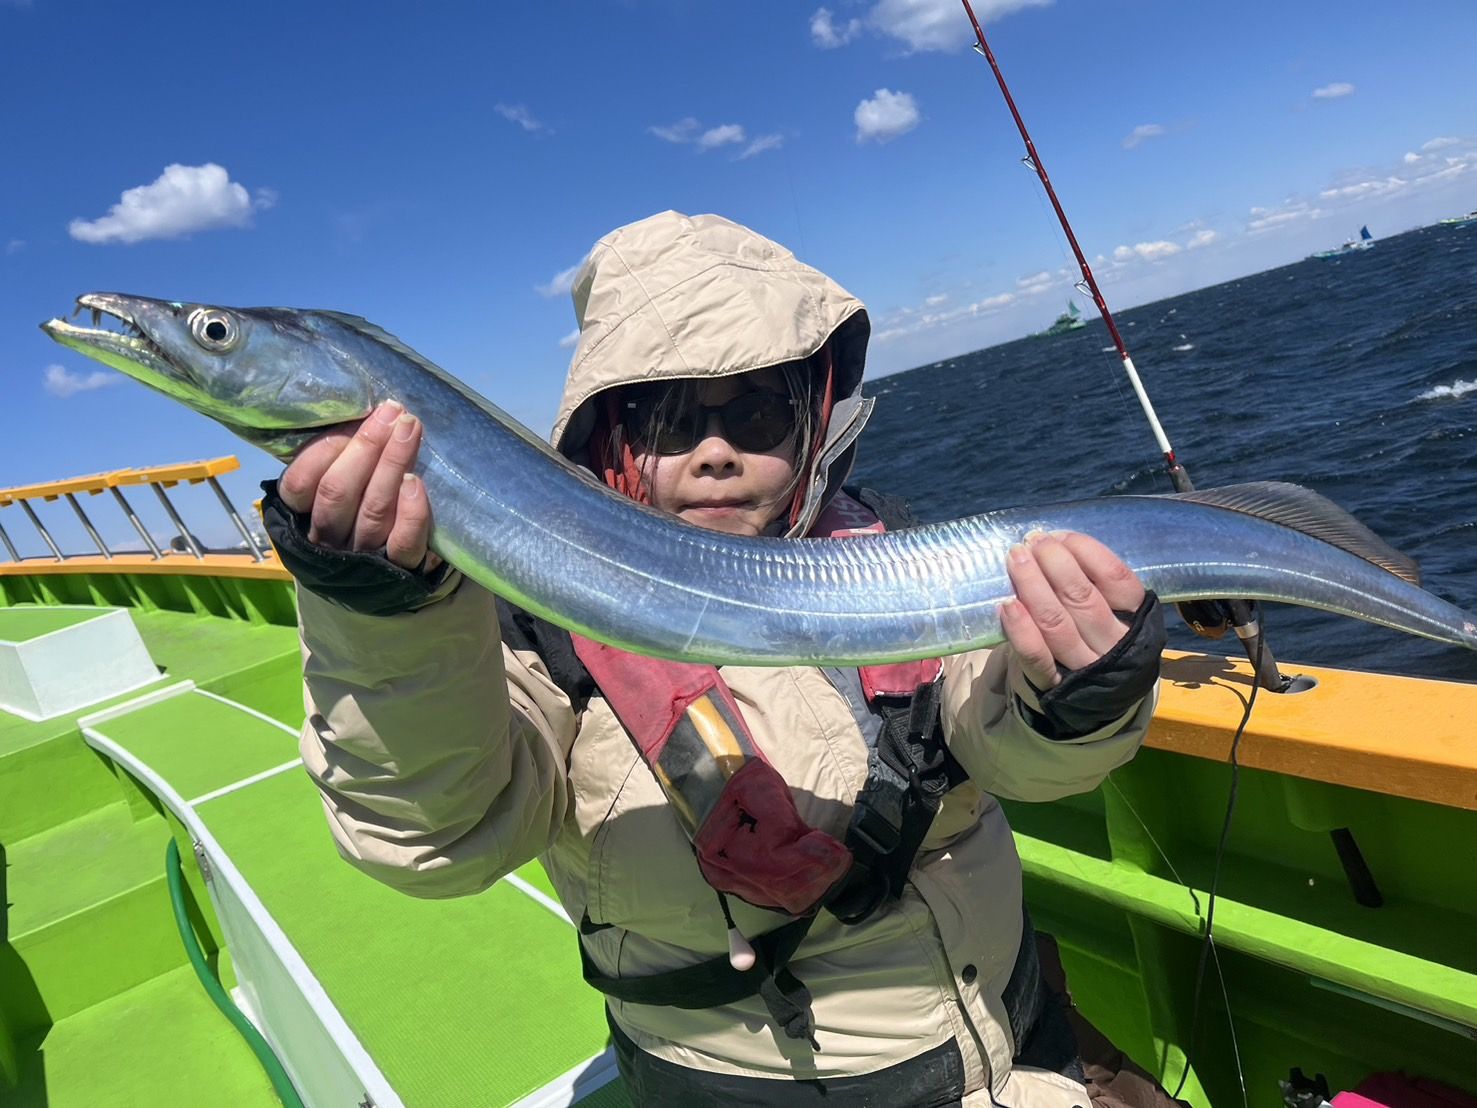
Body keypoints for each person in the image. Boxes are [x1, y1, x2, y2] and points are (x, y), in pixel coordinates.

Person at [264, 211, 1172, 1106]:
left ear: (813, 419)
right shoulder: (532, 620)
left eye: (759, 414)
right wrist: (385, 620)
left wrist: (1081, 695)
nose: (713, 455)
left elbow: (1012, 756)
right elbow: (433, 838)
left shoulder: (887, 556)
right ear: (605, 434)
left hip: (1017, 1020)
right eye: (662, 420)